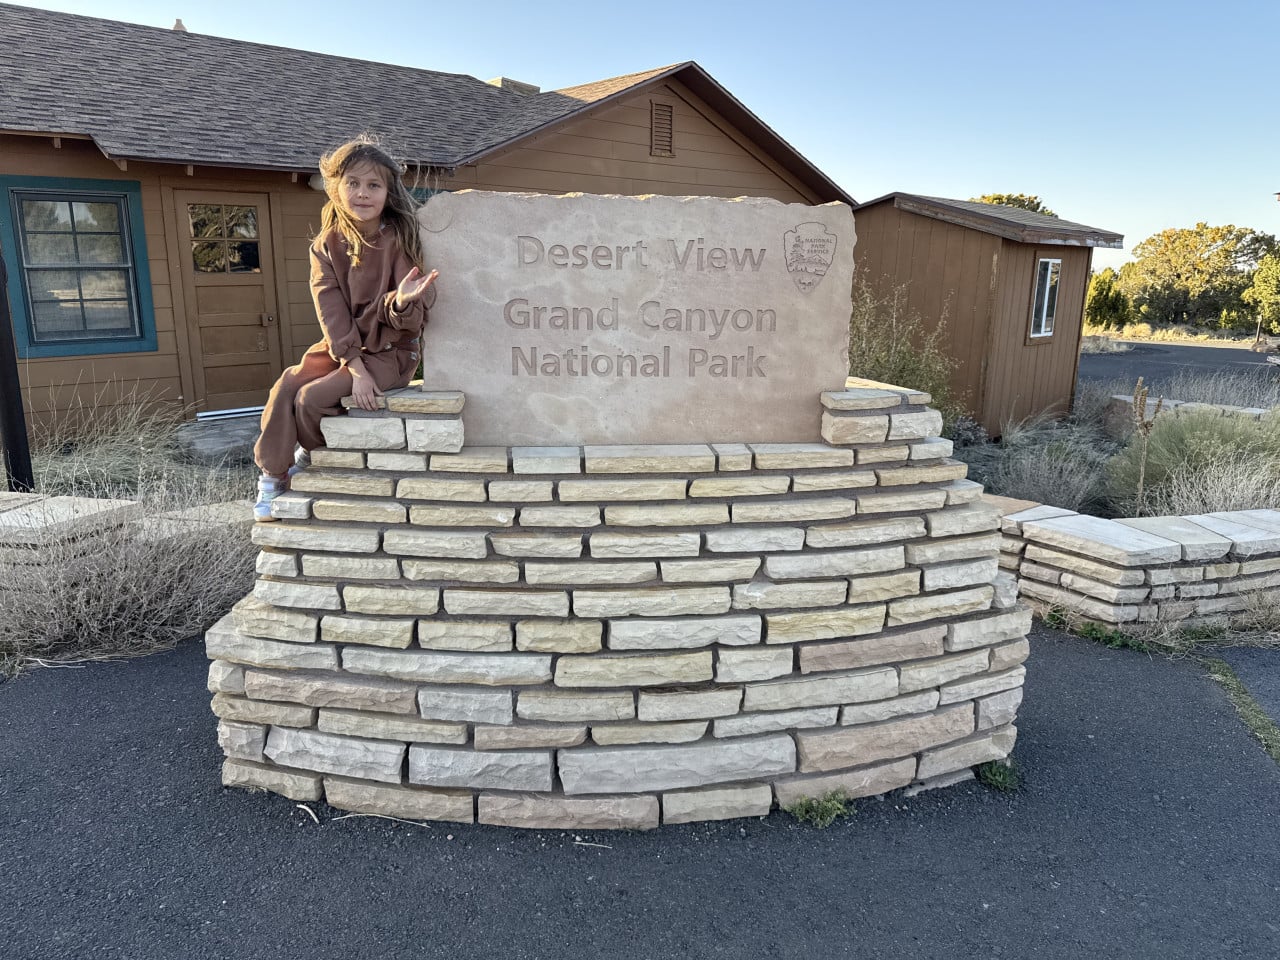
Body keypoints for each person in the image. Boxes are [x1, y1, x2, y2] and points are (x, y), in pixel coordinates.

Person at [253, 137, 438, 520]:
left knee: (311, 399)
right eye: (353, 183)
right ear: (336, 188)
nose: (362, 193)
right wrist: (354, 368)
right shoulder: (325, 244)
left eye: (374, 185)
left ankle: (309, 452)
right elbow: (330, 309)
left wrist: (401, 302)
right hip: (343, 347)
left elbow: (412, 316)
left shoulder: (398, 240)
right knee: (287, 384)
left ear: (388, 193)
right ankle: (273, 477)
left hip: (390, 351)